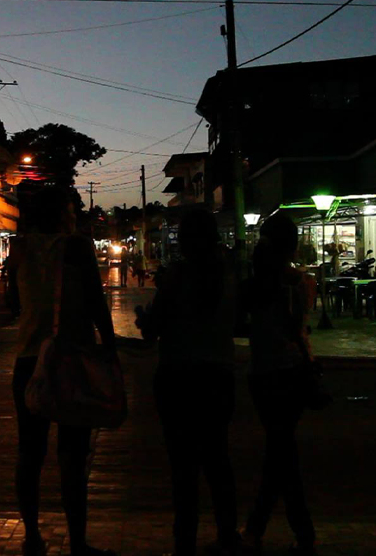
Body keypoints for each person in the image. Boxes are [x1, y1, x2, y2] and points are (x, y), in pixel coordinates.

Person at [5, 186, 118, 556]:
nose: (74, 217)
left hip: (29, 360)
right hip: (71, 359)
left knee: (30, 452)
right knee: (72, 455)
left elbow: (12, 304)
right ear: (61, 214)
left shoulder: (19, 248)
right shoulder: (77, 247)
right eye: (71, 211)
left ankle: (32, 536)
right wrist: (110, 351)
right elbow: (97, 305)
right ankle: (78, 543)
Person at [135, 208, 240, 556]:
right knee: (218, 460)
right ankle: (227, 535)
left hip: (178, 377)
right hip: (218, 376)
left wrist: (144, 320)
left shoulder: (177, 277)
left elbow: (153, 329)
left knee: (183, 470)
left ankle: (185, 542)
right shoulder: (228, 276)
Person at [239, 214, 319, 555]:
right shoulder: (301, 282)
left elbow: (243, 320)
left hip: (266, 371)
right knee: (281, 453)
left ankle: (274, 531)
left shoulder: (259, 284)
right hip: (294, 369)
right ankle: (274, 530)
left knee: (280, 454)